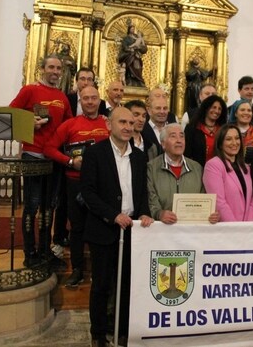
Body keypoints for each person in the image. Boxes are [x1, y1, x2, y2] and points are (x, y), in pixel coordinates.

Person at [80, 107, 154, 347]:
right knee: (101, 285)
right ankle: (98, 335)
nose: (127, 127)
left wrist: (143, 213)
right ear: (109, 124)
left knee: (126, 286)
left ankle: (122, 332)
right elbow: (88, 193)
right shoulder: (94, 153)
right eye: (122, 121)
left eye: (131, 123)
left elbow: (141, 192)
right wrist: (113, 215)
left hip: (132, 230)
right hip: (104, 229)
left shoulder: (140, 157)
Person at [9, 54, 72, 267]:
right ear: (42, 69)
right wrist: (29, 123)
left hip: (53, 158)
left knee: (49, 207)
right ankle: (30, 253)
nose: (55, 72)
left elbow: (68, 124)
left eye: (58, 69)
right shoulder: (30, 90)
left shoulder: (62, 97)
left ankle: (45, 251)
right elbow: (11, 113)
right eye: (51, 67)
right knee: (32, 206)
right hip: (33, 154)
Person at [44, 86, 110, 288]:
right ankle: (78, 269)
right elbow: (48, 148)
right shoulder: (70, 124)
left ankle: (102, 271)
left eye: (94, 98)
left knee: (102, 227)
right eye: (86, 98)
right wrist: (70, 162)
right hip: (75, 182)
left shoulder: (108, 124)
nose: (90, 102)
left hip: (102, 184)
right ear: (80, 101)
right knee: (77, 228)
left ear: (100, 100)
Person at [147, 123, 219, 224]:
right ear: (163, 144)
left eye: (182, 136)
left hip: (191, 230)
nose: (179, 140)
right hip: (162, 229)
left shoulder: (197, 168)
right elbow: (151, 198)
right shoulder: (151, 168)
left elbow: (203, 199)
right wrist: (159, 213)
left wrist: (210, 214)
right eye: (173, 136)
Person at [203, 124, 253, 222]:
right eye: (228, 139)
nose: (234, 143)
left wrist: (249, 226)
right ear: (220, 144)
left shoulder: (246, 167)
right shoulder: (213, 165)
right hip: (227, 229)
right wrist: (235, 228)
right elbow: (219, 202)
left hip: (247, 230)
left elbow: (252, 201)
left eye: (237, 138)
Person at [184, 95, 228, 167]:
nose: (217, 111)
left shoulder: (224, 130)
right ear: (206, 108)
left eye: (219, 109)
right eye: (214, 107)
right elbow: (186, 154)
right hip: (197, 171)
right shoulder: (192, 128)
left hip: (219, 170)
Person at [228, 99, 253, 163]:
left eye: (249, 110)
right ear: (235, 113)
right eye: (242, 110)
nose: (246, 113)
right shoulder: (227, 133)